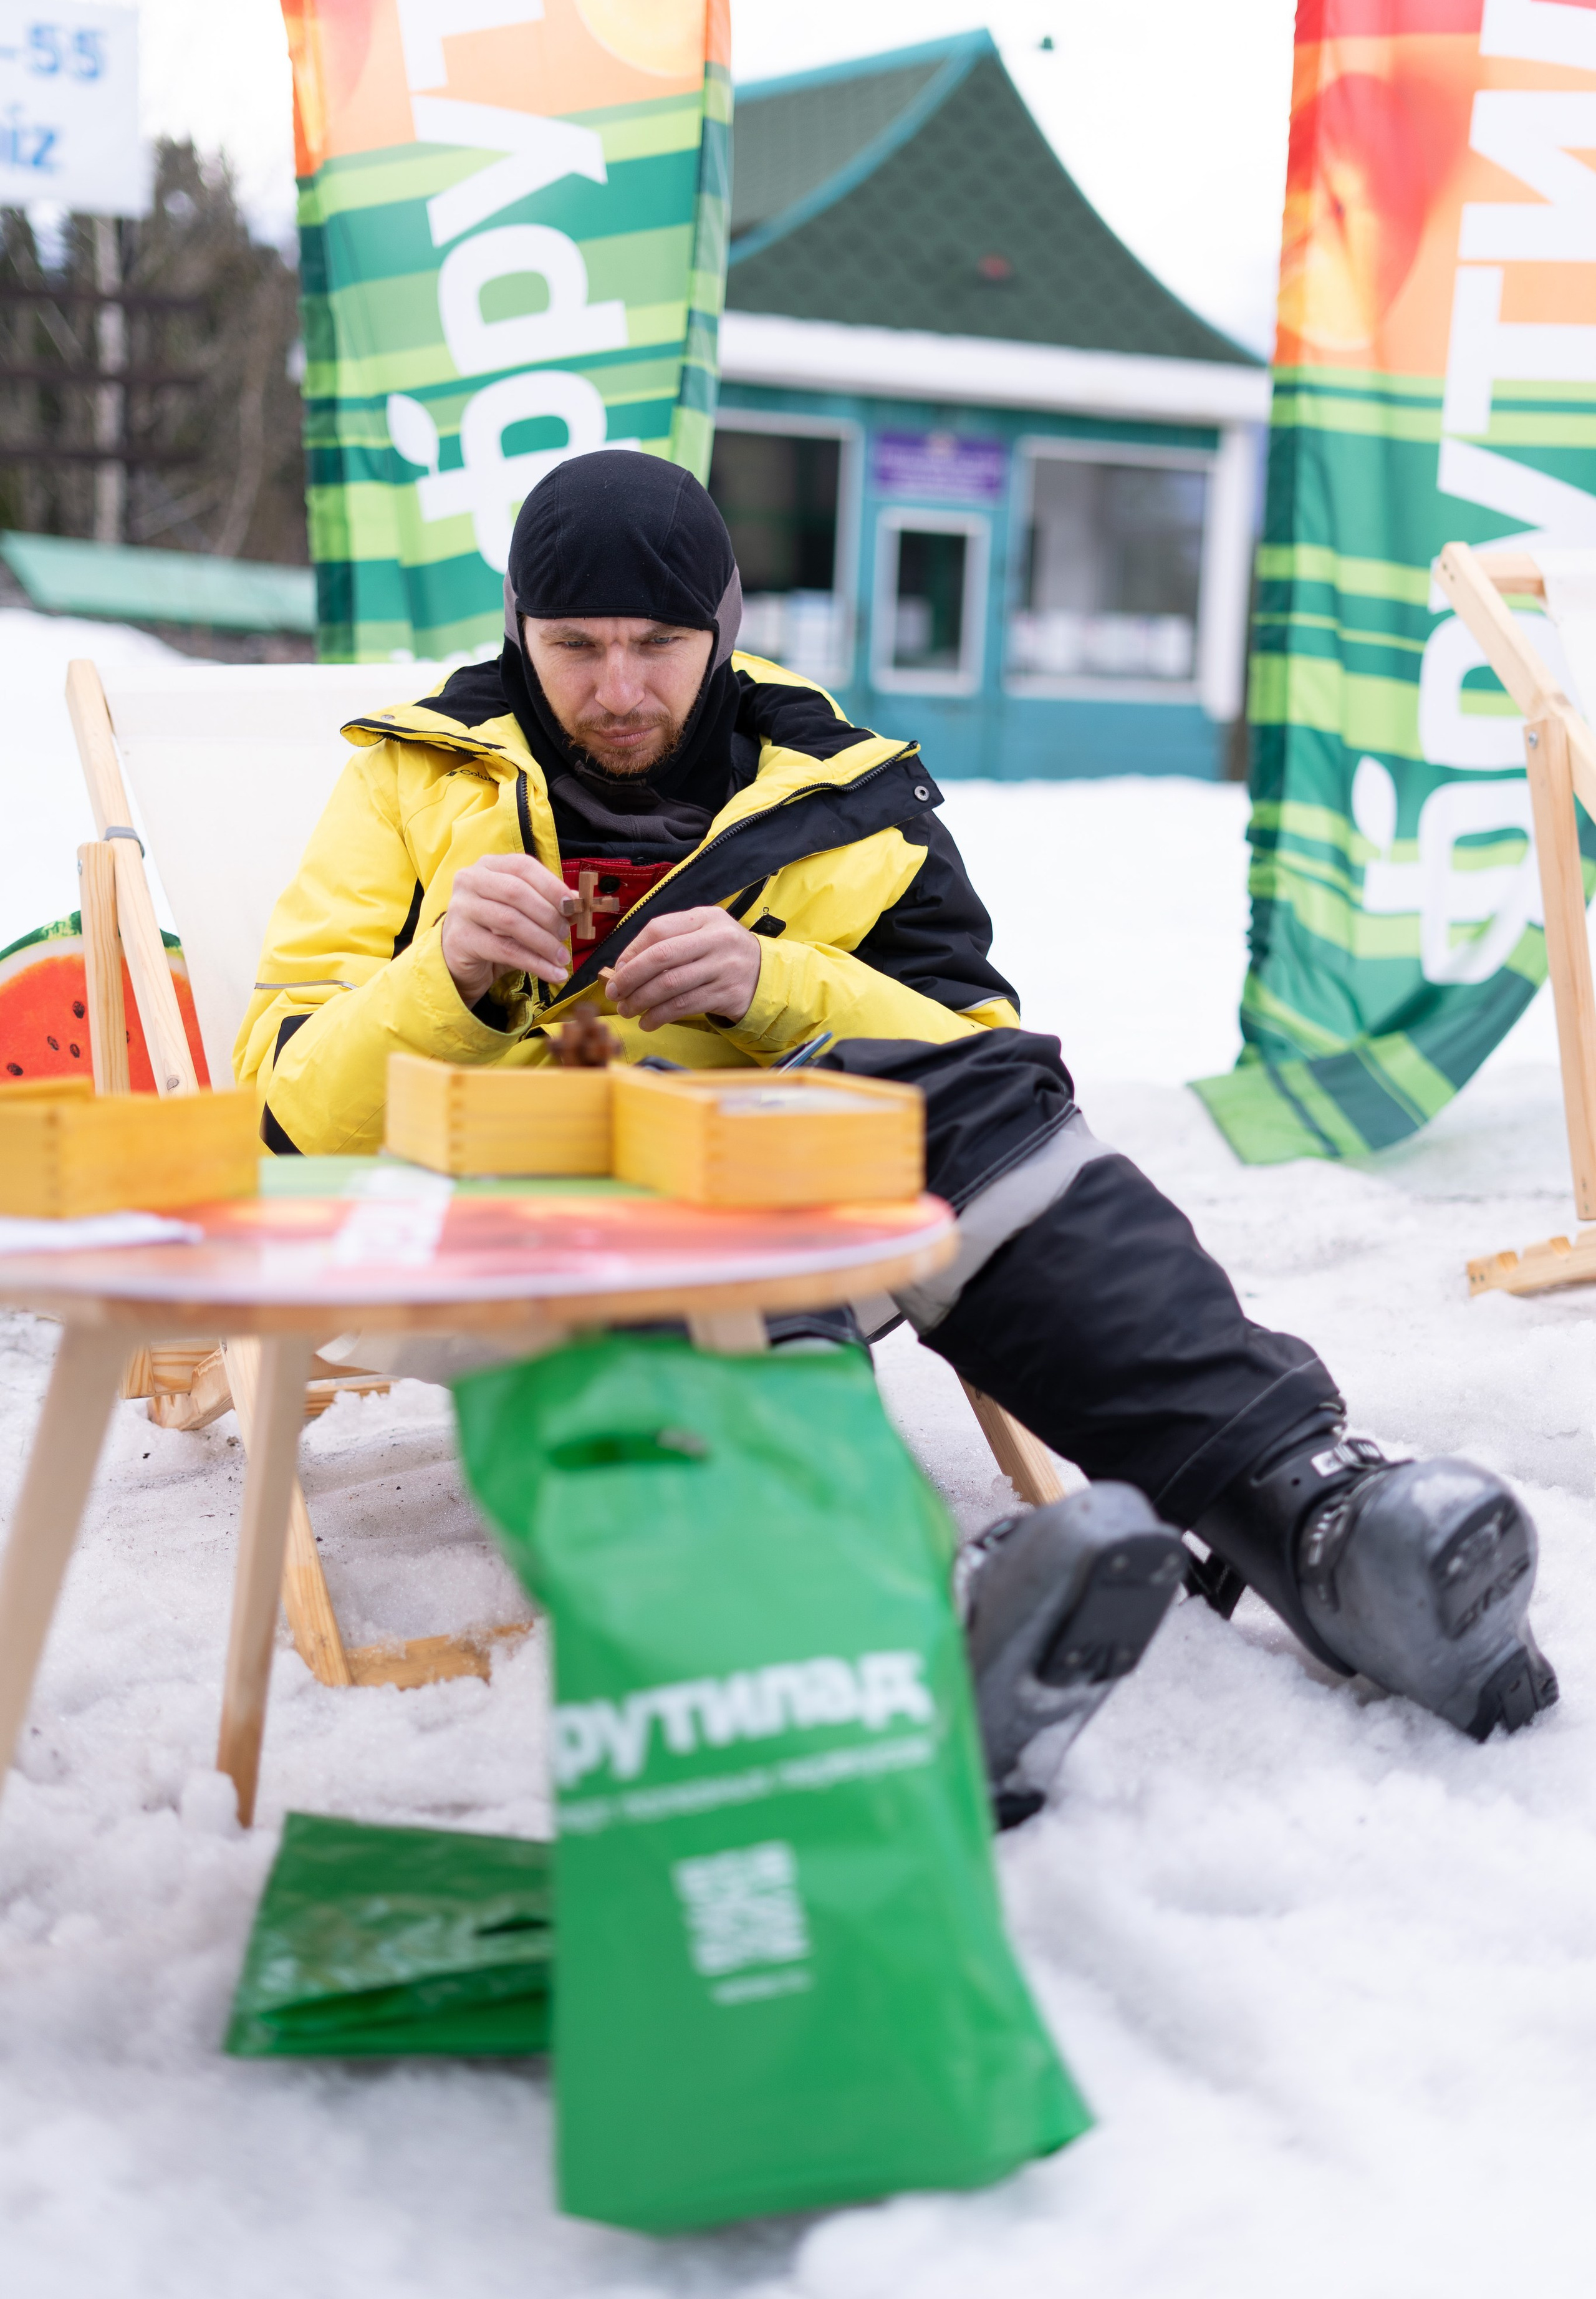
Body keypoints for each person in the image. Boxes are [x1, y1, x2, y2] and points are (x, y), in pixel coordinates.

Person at [238, 452, 1557, 1823]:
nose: (615, 688)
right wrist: (435, 982)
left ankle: (1311, 1515)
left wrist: (775, 986)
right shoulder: (407, 780)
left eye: (655, 646)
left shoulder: (840, 790)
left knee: (984, 1111)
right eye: (573, 647)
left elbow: (976, 1043)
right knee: (669, 1188)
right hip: (514, 1218)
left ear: (724, 630)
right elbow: (277, 1106)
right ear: (517, 625)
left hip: (796, 1195)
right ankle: (879, 1621)